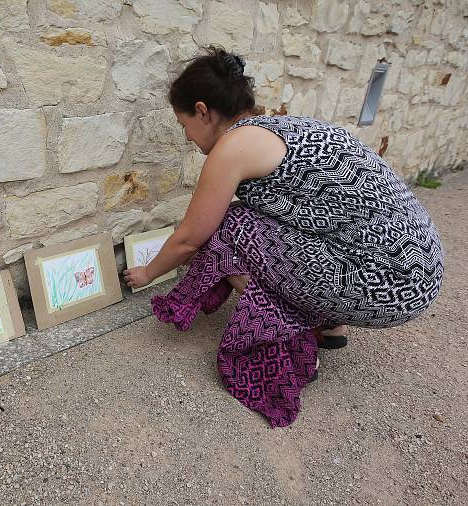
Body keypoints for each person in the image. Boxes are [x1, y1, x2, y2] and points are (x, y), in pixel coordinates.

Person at [122, 46, 444, 427]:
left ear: (203, 111)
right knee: (254, 225)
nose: (188, 138)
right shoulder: (282, 127)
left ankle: (290, 340)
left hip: (389, 282)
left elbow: (191, 237)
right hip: (420, 268)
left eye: (184, 125)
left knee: (229, 226)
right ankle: (331, 324)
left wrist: (147, 273)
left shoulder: (233, 147)